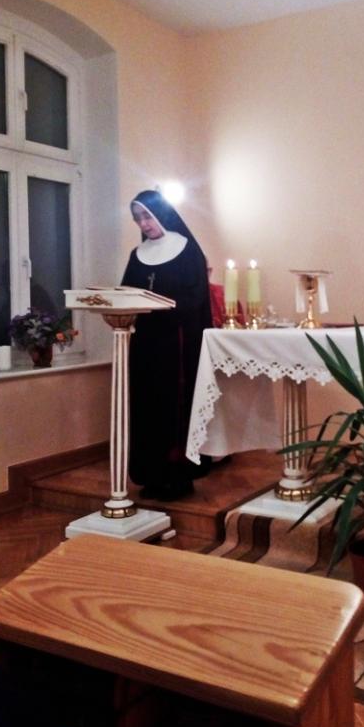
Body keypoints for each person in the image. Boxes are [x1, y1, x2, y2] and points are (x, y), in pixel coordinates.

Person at [122, 190, 213, 500]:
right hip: (145, 345)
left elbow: (196, 297)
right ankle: (151, 475)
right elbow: (127, 292)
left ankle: (178, 478)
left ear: (161, 214)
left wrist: (165, 305)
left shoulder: (187, 250)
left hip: (178, 345)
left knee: (174, 410)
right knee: (147, 408)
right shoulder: (137, 255)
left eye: (147, 216)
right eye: (138, 219)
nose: (143, 224)